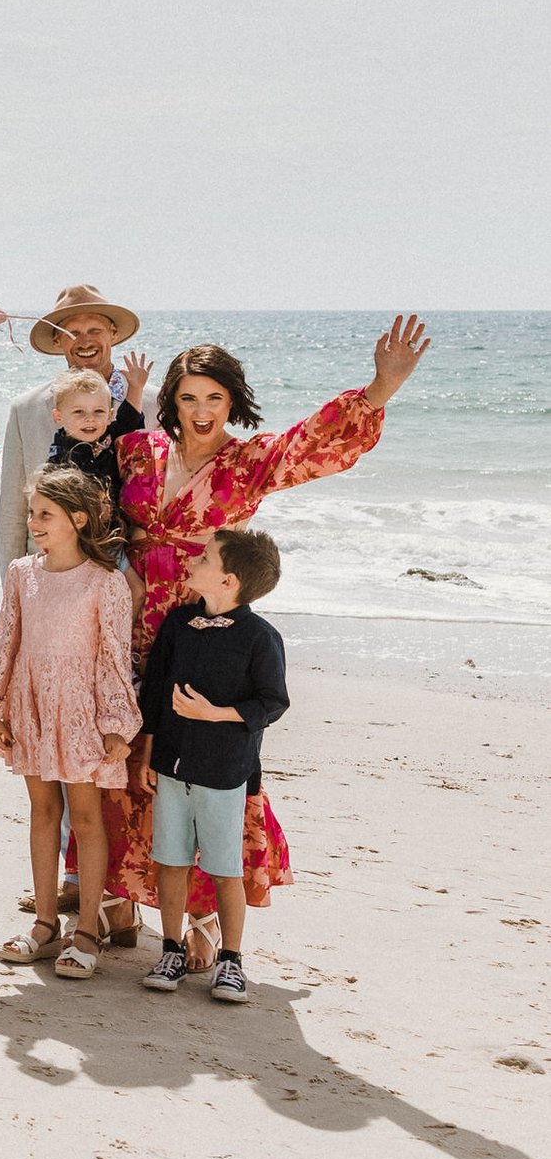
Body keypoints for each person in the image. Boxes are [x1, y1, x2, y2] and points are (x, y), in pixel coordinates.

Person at [102, 317, 430, 952]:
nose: (201, 410)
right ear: (169, 400)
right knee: (129, 755)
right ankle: (120, 897)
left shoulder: (249, 463)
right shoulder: (137, 450)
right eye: (189, 397)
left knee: (203, 766)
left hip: (206, 631)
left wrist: (380, 388)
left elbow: (312, 445)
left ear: (233, 401)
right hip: (130, 624)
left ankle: (202, 921)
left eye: (215, 397)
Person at [0, 467, 139, 980]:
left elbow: (115, 657)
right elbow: (7, 640)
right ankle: (46, 924)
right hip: (31, 705)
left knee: (87, 819)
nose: (34, 523)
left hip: (82, 712)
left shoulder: (107, 582)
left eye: (45, 514)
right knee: (42, 811)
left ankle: (88, 929)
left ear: (78, 518)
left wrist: (115, 721)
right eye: (32, 513)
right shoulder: (22, 572)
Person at [139, 528, 290, 1005]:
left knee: (226, 869)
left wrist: (217, 714)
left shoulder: (260, 637)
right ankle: (170, 950)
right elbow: (155, 694)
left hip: (226, 772)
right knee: (171, 860)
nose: (193, 562)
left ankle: (231, 961)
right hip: (170, 766)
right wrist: (147, 755)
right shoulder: (179, 625)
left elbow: (273, 701)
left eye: (204, 558)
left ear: (228, 581)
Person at [0, 285, 154, 567]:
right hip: (48, 572)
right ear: (57, 341)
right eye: (72, 333)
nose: (84, 341)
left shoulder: (154, 403)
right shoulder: (26, 408)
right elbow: (13, 512)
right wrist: (14, 592)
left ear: (113, 335)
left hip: (126, 570)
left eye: (95, 330)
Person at [43, 366, 145, 498]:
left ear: (109, 416)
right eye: (79, 412)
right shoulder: (59, 457)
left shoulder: (108, 435)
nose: (90, 418)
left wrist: (136, 388)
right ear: (58, 417)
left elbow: (129, 419)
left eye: (98, 411)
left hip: (117, 511)